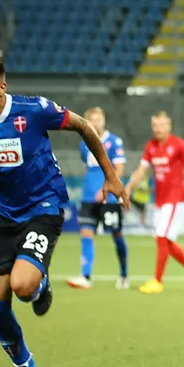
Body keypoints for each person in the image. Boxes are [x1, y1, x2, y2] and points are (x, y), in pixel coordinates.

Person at [0, 52, 127, 367]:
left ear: (1, 85)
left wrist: (110, 175)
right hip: (1, 215)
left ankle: (39, 282)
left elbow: (84, 126)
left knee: (23, 286)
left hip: (43, 207)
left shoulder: (33, 109)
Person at [125, 111, 184, 294]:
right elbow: (141, 170)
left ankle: (157, 281)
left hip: (175, 199)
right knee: (164, 240)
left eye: (161, 125)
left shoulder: (179, 145)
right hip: (159, 200)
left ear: (169, 126)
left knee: (161, 237)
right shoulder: (151, 146)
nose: (158, 129)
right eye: (155, 125)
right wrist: (128, 187)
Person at [67, 107, 129, 290]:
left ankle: (124, 275)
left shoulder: (114, 141)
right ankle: (85, 276)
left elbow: (119, 168)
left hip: (108, 198)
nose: (96, 123)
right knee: (86, 233)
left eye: (99, 119)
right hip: (88, 196)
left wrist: (107, 189)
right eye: (92, 120)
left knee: (116, 234)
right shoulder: (83, 144)